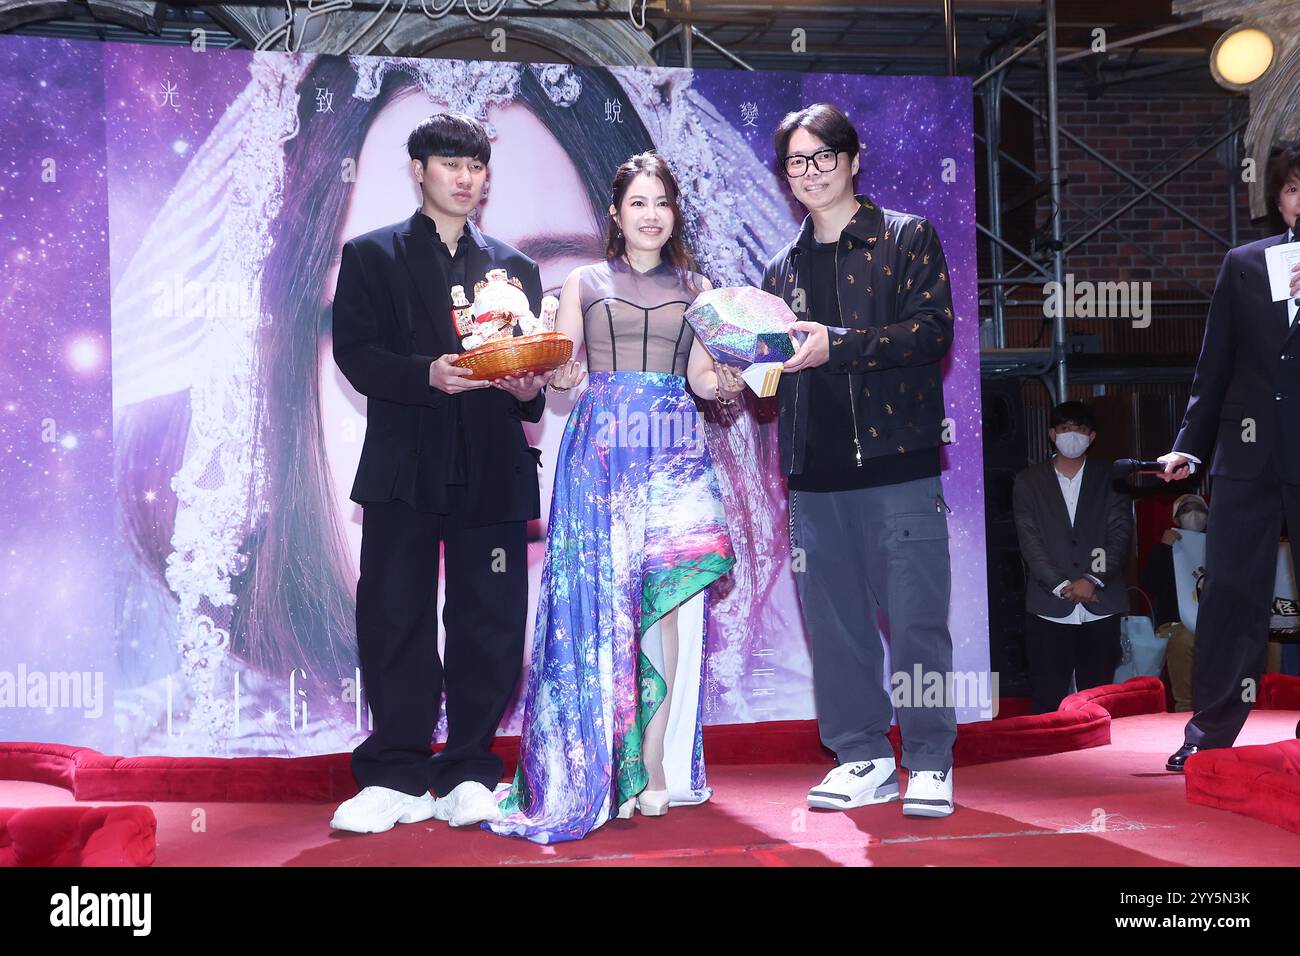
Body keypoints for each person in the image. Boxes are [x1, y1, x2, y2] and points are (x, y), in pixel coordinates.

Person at [485, 152, 744, 843]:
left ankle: (653, 767)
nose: (651, 214)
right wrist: (560, 370)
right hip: (601, 454)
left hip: (674, 454)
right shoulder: (583, 280)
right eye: (638, 202)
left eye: (662, 202)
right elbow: (565, 380)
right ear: (616, 212)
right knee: (601, 610)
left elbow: (700, 377)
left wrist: (734, 378)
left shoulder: (699, 287)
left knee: (664, 606)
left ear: (673, 212)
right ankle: (600, 767)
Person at [328, 112, 550, 833]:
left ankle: (469, 770)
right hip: (404, 468)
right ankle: (396, 773)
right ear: (419, 169)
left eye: (475, 166)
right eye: (449, 163)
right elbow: (355, 356)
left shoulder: (515, 269)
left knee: (490, 621)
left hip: (490, 468)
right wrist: (430, 374)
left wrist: (525, 385)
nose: (463, 177)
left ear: (487, 179)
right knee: (395, 616)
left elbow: (532, 380)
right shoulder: (371, 256)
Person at [763, 103, 958, 817]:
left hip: (897, 467)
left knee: (917, 623)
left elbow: (931, 332)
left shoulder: (907, 238)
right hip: (811, 478)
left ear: (852, 159)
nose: (810, 174)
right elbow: (774, 368)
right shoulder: (778, 267)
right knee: (835, 627)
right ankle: (861, 755)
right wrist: (741, 372)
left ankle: (932, 757)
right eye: (795, 162)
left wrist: (837, 344)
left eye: (822, 158)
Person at [1158, 139, 1300, 771]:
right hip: (1247, 457)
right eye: (1293, 188)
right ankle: (1209, 731)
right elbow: (1213, 364)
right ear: (1277, 199)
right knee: (1230, 596)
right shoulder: (1245, 264)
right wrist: (1189, 444)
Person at [1012, 402, 1133, 714]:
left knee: (1099, 700)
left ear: (1092, 437)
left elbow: (1119, 535)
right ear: (1052, 434)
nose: (1072, 436)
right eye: (1065, 429)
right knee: (1047, 700)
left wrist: (1092, 579)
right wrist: (1061, 584)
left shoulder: (1111, 477)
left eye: (1080, 430)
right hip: (1048, 605)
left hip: (1100, 604)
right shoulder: (1028, 481)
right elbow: (1030, 541)